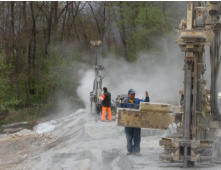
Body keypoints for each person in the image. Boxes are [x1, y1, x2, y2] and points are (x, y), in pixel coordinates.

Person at [120, 89, 150, 155]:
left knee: (137, 137)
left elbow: (146, 103)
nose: (133, 95)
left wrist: (147, 96)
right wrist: (122, 104)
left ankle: (136, 151)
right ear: (128, 95)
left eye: (134, 94)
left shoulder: (138, 100)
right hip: (128, 123)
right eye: (131, 94)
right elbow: (121, 109)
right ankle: (130, 151)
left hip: (137, 122)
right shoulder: (125, 101)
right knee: (129, 137)